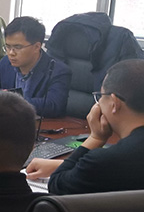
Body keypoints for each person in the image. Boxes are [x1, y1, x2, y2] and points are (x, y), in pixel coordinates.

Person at [26, 59, 144, 194]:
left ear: (114, 103)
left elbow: (58, 185)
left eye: (101, 96)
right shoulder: (117, 161)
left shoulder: (105, 161)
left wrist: (96, 138)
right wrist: (62, 164)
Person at [0, 16, 71, 117]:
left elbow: (54, 106)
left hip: (37, 124)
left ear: (37, 47)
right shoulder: (6, 62)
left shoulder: (58, 70)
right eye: (8, 46)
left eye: (18, 47)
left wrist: (5, 98)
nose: (11, 53)